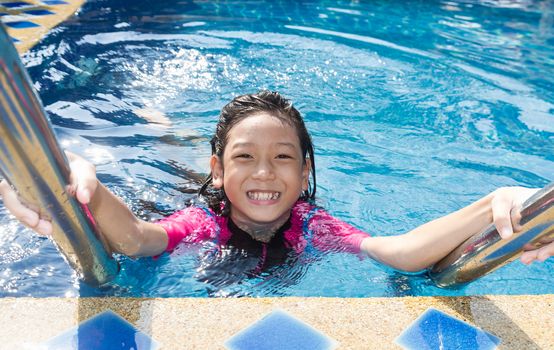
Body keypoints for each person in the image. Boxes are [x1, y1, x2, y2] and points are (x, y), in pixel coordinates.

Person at [0, 91, 551, 276]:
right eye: (246, 158)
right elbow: (140, 238)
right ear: (222, 169)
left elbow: (398, 251)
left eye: (283, 158)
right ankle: (165, 128)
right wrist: (85, 189)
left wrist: (494, 202)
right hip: (197, 193)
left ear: (305, 171)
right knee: (179, 159)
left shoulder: (311, 224)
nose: (265, 174)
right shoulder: (203, 222)